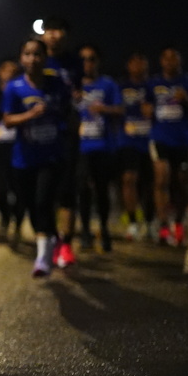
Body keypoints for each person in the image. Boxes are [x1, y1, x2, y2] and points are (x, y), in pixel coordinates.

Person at [1, 38, 72, 277]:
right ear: (21, 58)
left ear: (45, 58)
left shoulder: (57, 84)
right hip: (23, 159)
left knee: (43, 202)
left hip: (51, 156)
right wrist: (30, 115)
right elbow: (7, 120)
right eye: (28, 54)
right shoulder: (14, 87)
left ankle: (42, 259)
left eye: (37, 54)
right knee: (32, 205)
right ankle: (52, 238)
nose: (32, 59)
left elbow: (68, 112)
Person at [146, 46, 188, 245]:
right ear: (161, 61)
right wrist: (146, 109)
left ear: (180, 61)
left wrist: (187, 100)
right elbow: (145, 104)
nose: (170, 61)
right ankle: (164, 226)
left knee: (181, 182)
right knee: (161, 179)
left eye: (174, 58)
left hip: (183, 139)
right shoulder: (153, 83)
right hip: (160, 137)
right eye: (166, 58)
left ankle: (179, 222)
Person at [40, 17, 82, 268]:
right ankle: (50, 238)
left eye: (58, 30)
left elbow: (80, 92)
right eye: (49, 30)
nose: (53, 34)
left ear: (65, 35)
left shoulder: (75, 62)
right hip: (40, 134)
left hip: (66, 132)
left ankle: (66, 243)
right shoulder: (37, 60)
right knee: (43, 194)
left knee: (67, 189)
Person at [74, 44, 122, 252]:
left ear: (98, 61)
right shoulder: (73, 86)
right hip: (81, 147)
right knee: (83, 189)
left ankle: (104, 228)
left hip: (103, 146)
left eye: (91, 58)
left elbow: (121, 109)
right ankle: (85, 231)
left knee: (102, 190)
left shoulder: (108, 84)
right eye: (83, 59)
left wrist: (105, 109)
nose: (87, 63)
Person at [116, 51, 154, 240]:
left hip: (151, 140)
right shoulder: (121, 87)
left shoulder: (153, 86)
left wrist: (153, 110)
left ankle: (150, 222)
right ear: (128, 65)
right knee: (128, 180)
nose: (138, 65)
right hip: (128, 141)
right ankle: (132, 222)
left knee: (151, 183)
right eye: (134, 62)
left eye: (142, 61)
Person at [0, 59, 23, 243]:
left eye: (13, 70)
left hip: (17, 147)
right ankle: (5, 218)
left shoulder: (21, 92)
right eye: (6, 70)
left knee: (18, 188)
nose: (9, 73)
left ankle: (18, 224)